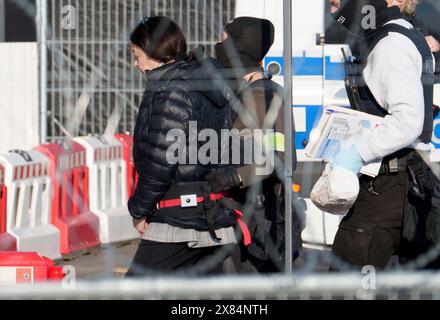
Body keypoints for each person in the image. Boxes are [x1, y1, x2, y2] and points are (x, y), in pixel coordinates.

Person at [125, 16, 238, 276]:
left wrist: (138, 209)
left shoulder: (169, 91)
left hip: (180, 215)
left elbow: (160, 160)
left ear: (154, 53)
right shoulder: (201, 82)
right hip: (208, 207)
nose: (135, 64)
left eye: (136, 55)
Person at [329, 0, 435, 270]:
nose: (336, 9)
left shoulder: (390, 44)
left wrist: (355, 153)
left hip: (386, 184)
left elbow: (408, 119)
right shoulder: (402, 35)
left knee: (348, 283)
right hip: (404, 178)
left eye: (338, 3)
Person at [205, 17, 301, 273]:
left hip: (258, 217)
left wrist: (233, 176)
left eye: (223, 41)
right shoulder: (257, 90)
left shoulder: (259, 96)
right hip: (255, 213)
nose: (218, 46)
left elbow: (276, 157)